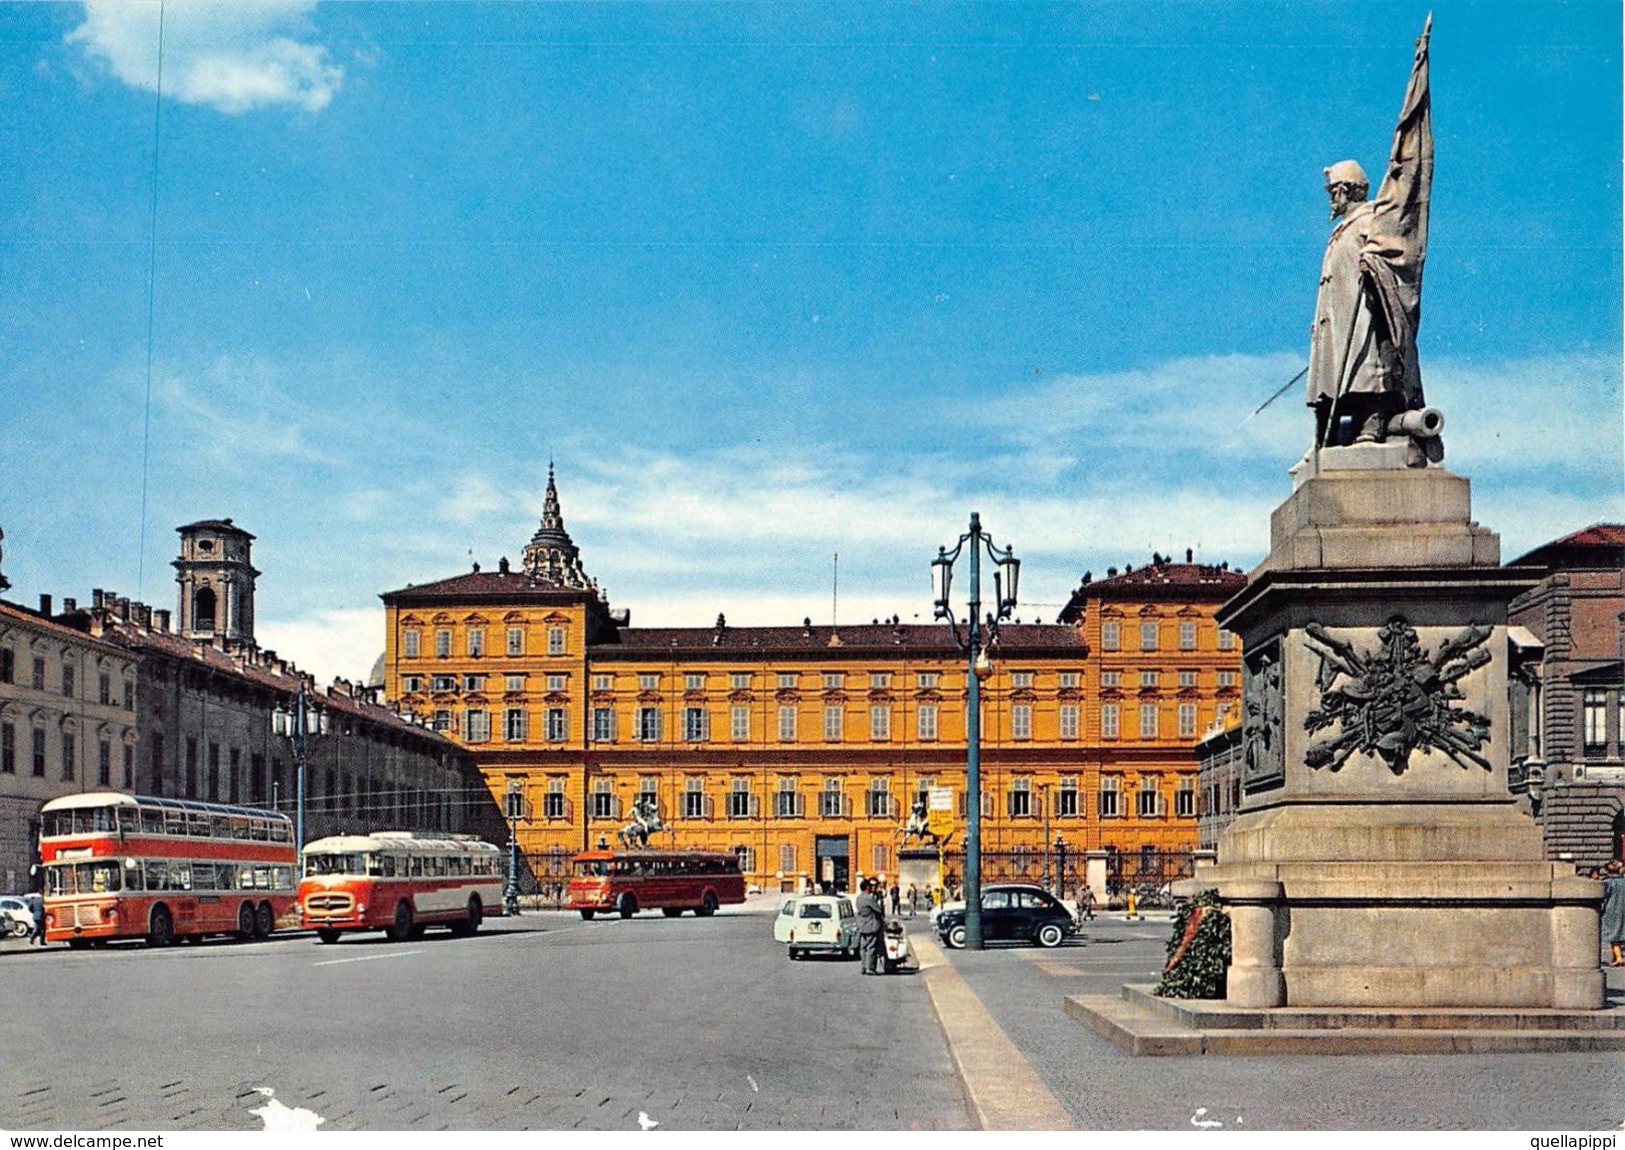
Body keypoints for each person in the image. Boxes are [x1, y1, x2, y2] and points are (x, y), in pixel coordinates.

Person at [1307, 18, 1435, 459]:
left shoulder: (1369, 221)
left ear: (1347, 191)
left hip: (1363, 319)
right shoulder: (1340, 231)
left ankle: (1374, 423)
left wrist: (1375, 266)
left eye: (1333, 191)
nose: (1330, 198)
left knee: (1367, 371)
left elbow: (1398, 244)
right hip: (1335, 323)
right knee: (1332, 380)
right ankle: (1331, 430)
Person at [854, 878, 887, 975]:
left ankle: (863, 966)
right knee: (871, 947)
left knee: (863, 947)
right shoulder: (869, 898)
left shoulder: (858, 898)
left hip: (862, 925)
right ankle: (870, 967)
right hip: (871, 925)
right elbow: (878, 910)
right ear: (867, 887)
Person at [1601, 859, 1625, 968]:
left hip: (1611, 911)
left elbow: (1604, 898)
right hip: (1623, 909)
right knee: (1620, 933)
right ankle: (1616, 956)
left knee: (1613, 935)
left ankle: (1619, 958)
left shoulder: (1608, 882)